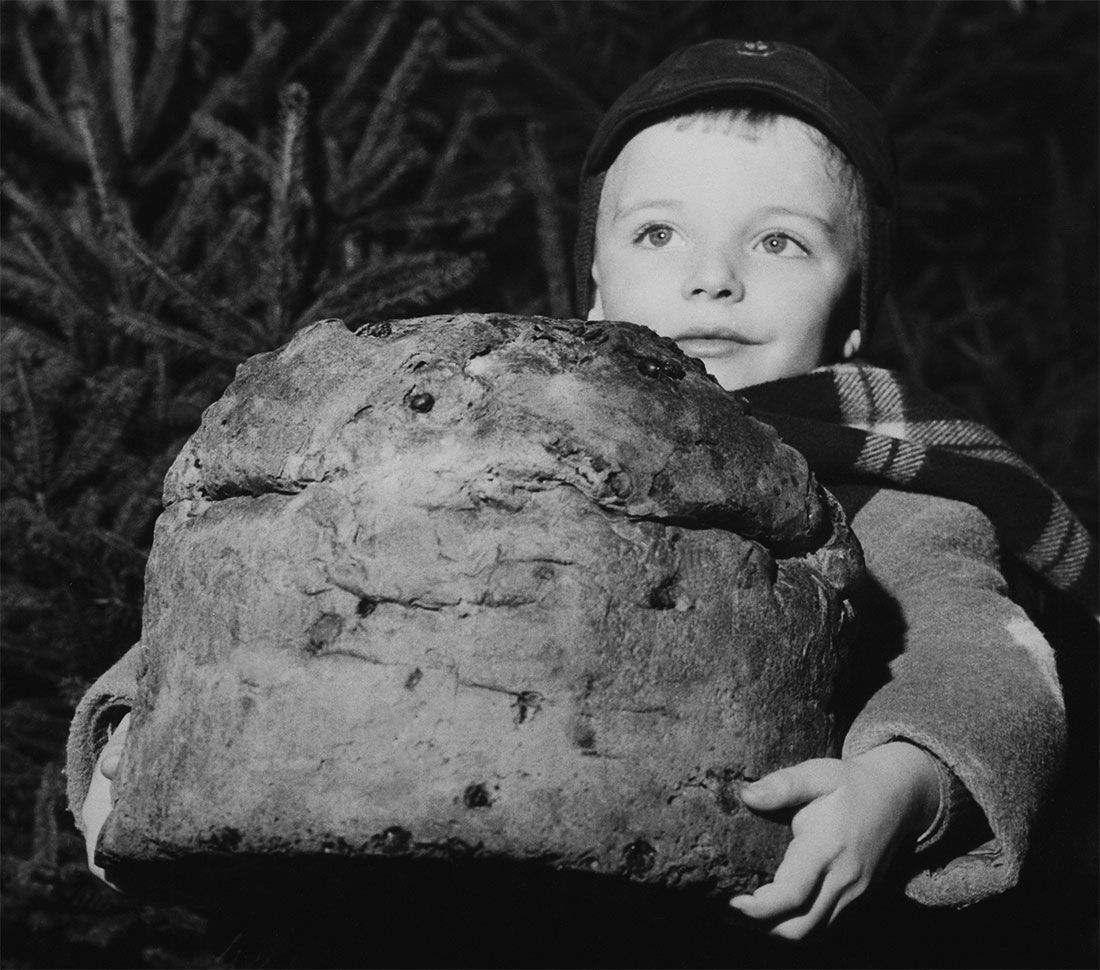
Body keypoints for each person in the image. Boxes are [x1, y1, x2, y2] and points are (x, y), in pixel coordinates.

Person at [69, 37, 1095, 954]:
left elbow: (986, 665)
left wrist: (897, 788)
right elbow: (260, 592)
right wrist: (128, 726)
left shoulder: (896, 495)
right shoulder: (486, 436)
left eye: (778, 241)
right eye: (658, 235)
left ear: (853, 310)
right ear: (594, 287)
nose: (712, 280)